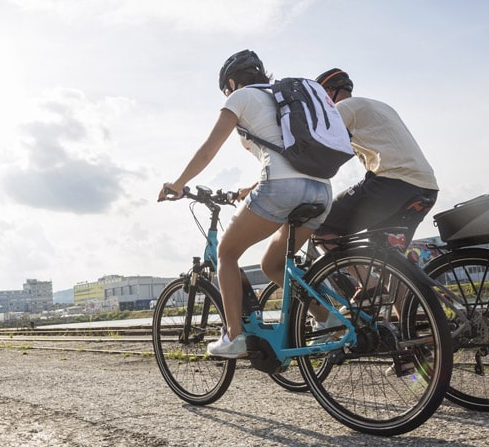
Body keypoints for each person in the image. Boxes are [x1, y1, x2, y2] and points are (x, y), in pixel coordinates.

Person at [158, 50, 333, 358]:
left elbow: (207, 151)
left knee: (226, 252)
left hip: (281, 189)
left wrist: (177, 183)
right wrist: (249, 189)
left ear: (231, 82)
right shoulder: (284, 97)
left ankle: (234, 336)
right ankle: (327, 317)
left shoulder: (240, 98)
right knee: (272, 265)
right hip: (321, 189)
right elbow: (286, 152)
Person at [315, 67, 439, 242]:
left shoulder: (342, 108)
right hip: (427, 187)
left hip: (393, 183)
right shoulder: (377, 106)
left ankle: (347, 270)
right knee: (383, 257)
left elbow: (318, 149)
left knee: (319, 226)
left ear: (328, 92)